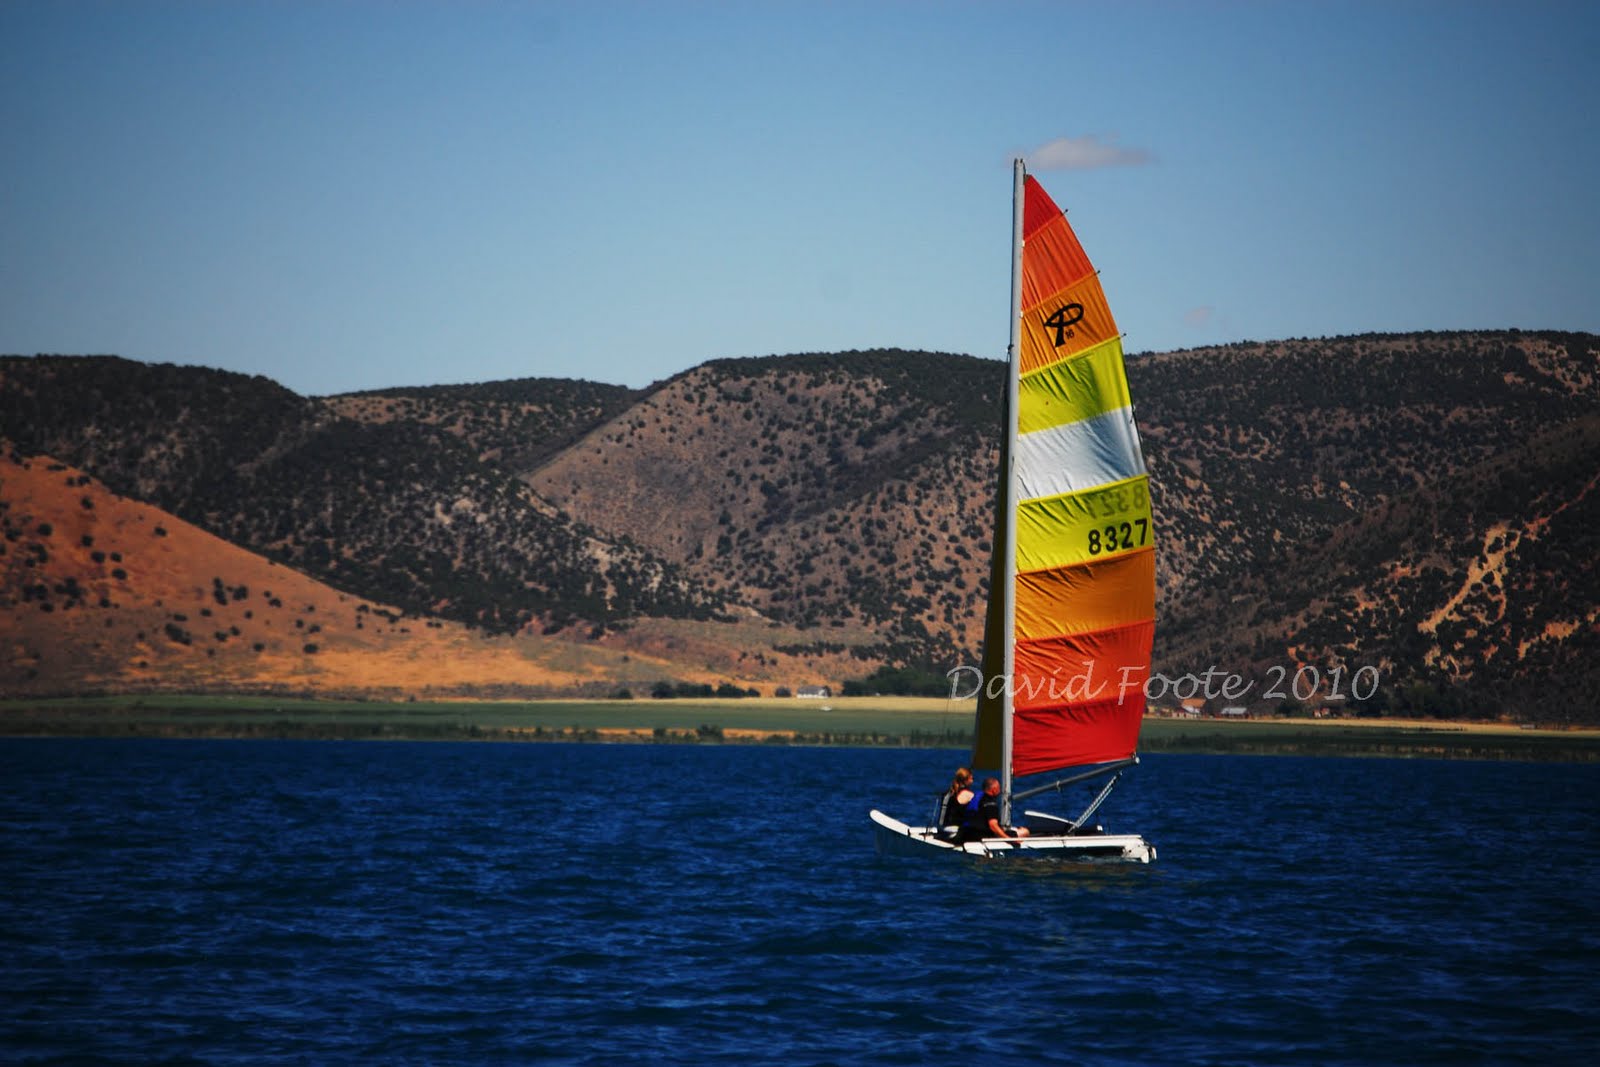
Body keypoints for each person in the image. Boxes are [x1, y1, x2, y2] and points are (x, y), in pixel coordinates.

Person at [959, 777, 1030, 843]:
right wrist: (1008, 839)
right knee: (1025, 831)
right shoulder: (991, 804)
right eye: (999, 788)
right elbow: (993, 826)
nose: (1000, 791)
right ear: (994, 790)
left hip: (967, 833)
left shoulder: (976, 798)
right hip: (982, 836)